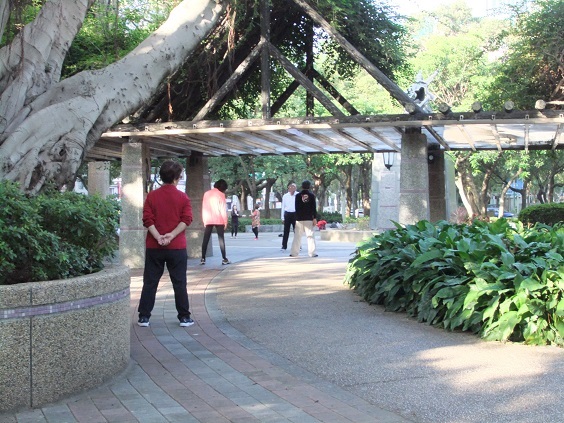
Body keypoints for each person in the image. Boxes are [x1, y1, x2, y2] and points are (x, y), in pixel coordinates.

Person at [137, 160, 194, 327]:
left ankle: (144, 317)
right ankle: (184, 317)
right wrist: (171, 235)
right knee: (179, 282)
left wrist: (158, 237)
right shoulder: (183, 197)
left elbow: (147, 219)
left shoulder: (152, 196)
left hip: (154, 246)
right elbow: (186, 219)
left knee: (150, 282)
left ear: (161, 176)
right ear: (177, 177)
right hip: (177, 246)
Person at [201, 179, 230, 265]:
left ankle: (203, 258)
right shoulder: (221, 195)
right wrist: (225, 222)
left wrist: (204, 220)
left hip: (208, 219)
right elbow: (223, 209)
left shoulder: (206, 194)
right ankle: (224, 259)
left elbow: (204, 208)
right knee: (221, 239)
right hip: (219, 219)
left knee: (206, 239)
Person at [289, 180, 318, 258]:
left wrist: (296, 218)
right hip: (309, 218)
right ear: (309, 186)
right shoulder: (311, 196)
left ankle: (294, 253)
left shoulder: (298, 196)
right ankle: (312, 253)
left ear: (302, 186)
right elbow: (313, 208)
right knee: (310, 236)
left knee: (297, 236)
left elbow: (296, 208)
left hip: (299, 219)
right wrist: (314, 218)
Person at [280, 182, 297, 251]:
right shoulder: (285, 196)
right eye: (291, 187)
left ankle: (298, 245)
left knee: (296, 231)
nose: (292, 188)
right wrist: (282, 217)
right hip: (287, 214)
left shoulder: (298, 195)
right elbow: (283, 207)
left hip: (295, 214)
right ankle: (284, 246)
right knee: (286, 231)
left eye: (293, 187)